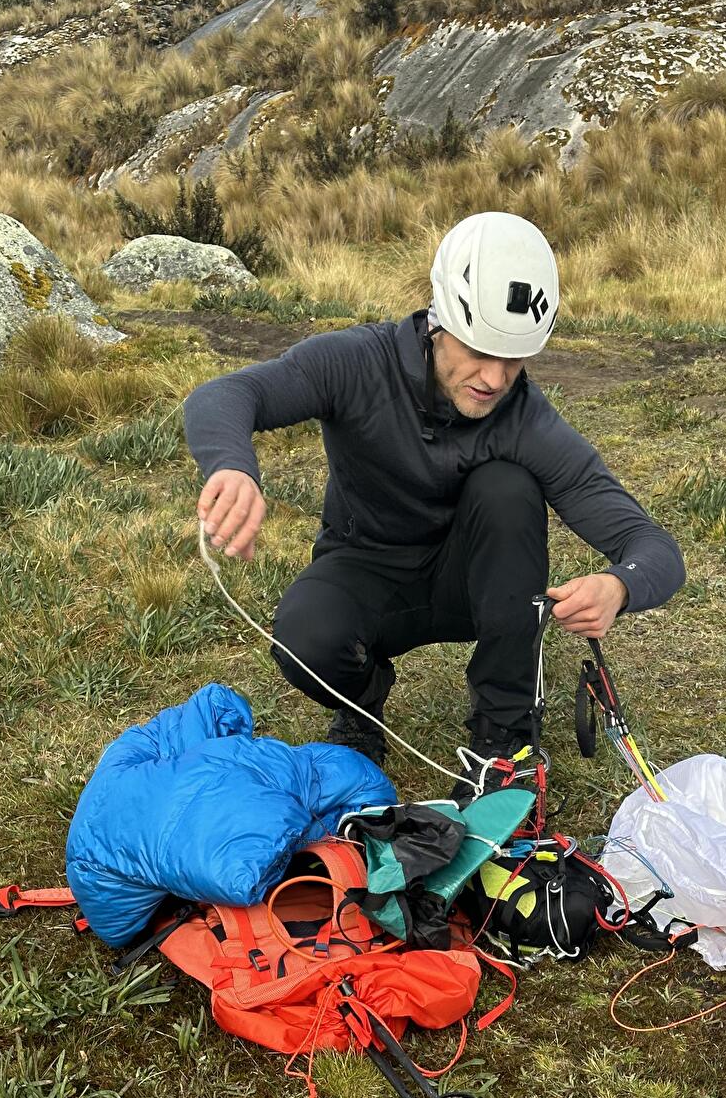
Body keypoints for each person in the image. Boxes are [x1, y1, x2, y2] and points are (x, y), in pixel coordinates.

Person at [184, 211, 685, 773]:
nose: (494, 379)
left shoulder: (527, 421)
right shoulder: (358, 363)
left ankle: (505, 736)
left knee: (507, 486)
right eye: (478, 349)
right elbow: (226, 395)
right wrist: (233, 468)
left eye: (513, 360)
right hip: (365, 568)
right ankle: (362, 707)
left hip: (473, 588)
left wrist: (620, 585)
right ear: (440, 322)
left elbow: (652, 547)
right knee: (306, 640)